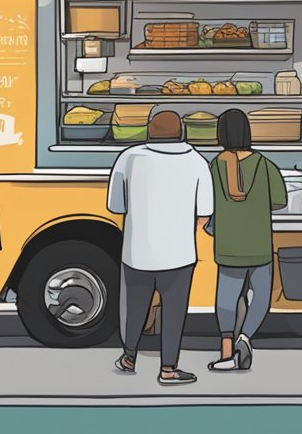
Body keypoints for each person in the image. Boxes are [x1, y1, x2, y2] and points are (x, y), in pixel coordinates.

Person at [107, 111, 210, 386]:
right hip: (180, 254)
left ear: (149, 132)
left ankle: (128, 357)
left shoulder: (129, 158)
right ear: (183, 132)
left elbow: (116, 206)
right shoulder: (197, 162)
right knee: (174, 311)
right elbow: (205, 213)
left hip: (136, 250)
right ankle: (168, 369)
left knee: (133, 306)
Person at [207, 108, 287, 372]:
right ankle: (246, 337)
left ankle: (227, 353)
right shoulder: (265, 165)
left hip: (229, 244)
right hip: (259, 243)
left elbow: (207, 203)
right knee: (261, 295)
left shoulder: (215, 165)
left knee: (227, 299)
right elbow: (280, 201)